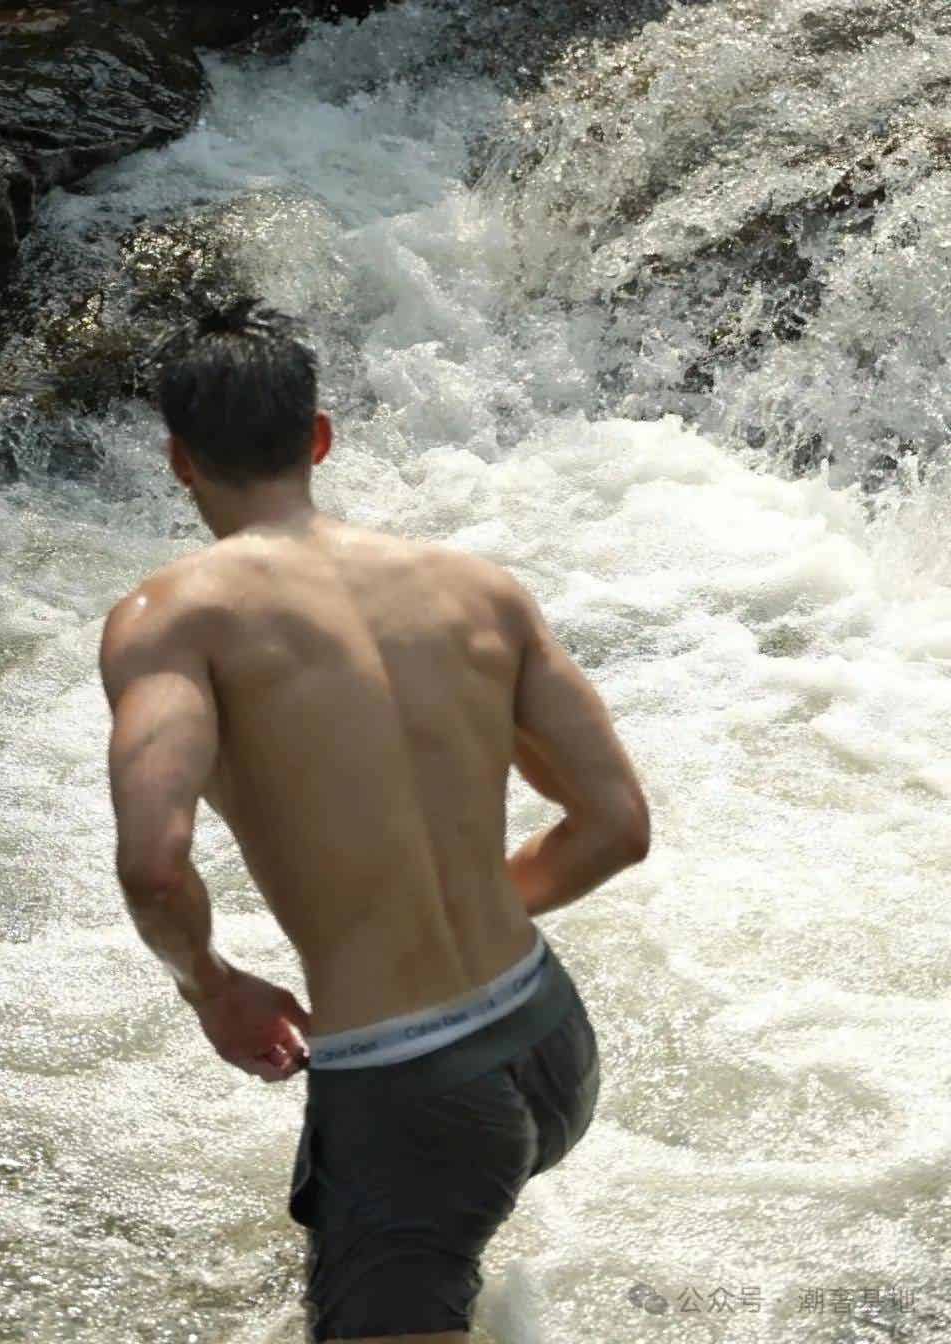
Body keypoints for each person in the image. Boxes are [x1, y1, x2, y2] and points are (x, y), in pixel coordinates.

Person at [98, 299, 652, 1343]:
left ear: (179, 460)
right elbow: (616, 825)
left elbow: (154, 865)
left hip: (411, 1082)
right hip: (548, 1039)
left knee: (410, 1247)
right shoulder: (479, 590)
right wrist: (467, 901)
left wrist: (212, 988)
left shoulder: (170, 622)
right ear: (319, 438)